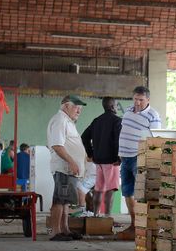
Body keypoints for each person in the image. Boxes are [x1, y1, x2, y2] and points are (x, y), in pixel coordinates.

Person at [117, 86, 162, 238]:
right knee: (127, 192)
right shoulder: (128, 111)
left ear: (148, 100)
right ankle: (134, 223)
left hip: (140, 157)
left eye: (141, 100)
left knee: (140, 192)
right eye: (135, 99)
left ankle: (144, 226)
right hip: (125, 157)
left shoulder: (153, 116)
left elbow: (154, 140)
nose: (137, 102)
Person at [47, 95, 88, 241]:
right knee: (59, 199)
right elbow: (57, 145)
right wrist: (72, 162)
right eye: (76, 107)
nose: (79, 111)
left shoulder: (68, 121)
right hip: (64, 167)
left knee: (65, 200)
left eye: (80, 108)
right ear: (65, 106)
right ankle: (56, 231)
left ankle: (65, 229)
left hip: (69, 169)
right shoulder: (60, 120)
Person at [81, 96, 122, 217]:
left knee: (98, 189)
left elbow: (84, 137)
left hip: (98, 161)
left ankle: (95, 216)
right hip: (111, 161)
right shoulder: (117, 121)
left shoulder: (96, 120)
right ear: (113, 106)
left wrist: (91, 154)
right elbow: (117, 140)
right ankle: (107, 217)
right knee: (111, 189)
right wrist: (118, 157)